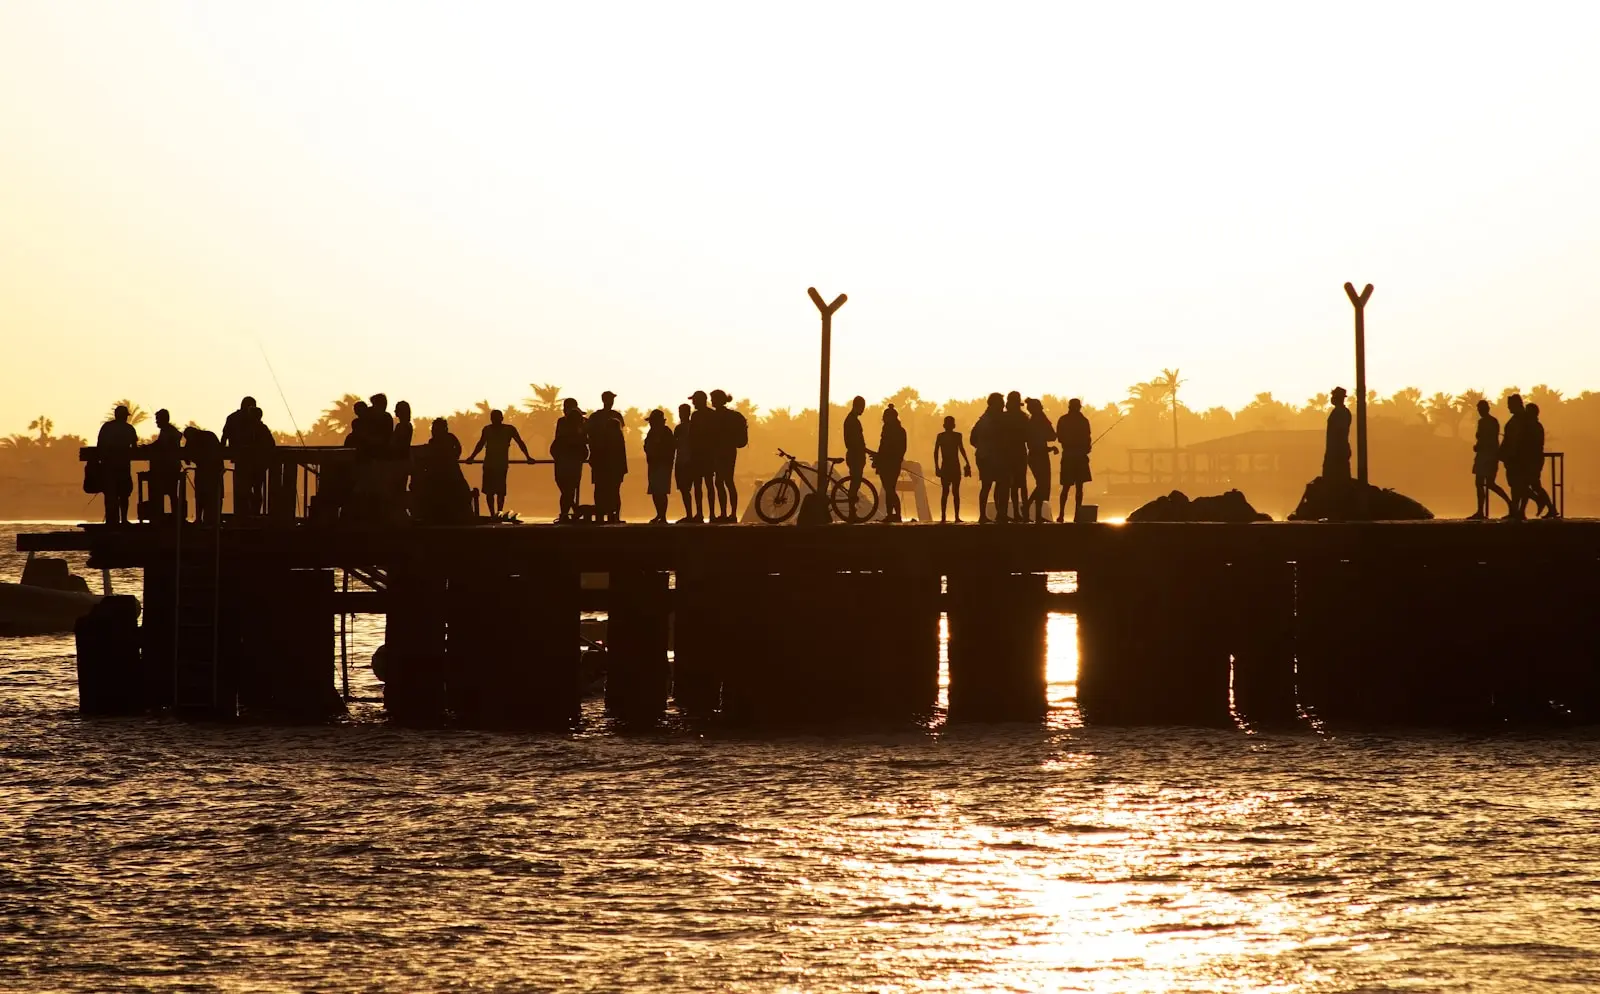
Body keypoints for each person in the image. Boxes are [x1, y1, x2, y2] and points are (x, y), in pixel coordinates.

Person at [466, 409, 533, 518]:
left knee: (500, 491)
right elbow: (481, 444)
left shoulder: (509, 429)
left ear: (502, 418)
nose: (495, 420)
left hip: (500, 465)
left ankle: (499, 513)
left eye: (497, 418)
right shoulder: (487, 430)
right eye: (493, 418)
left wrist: (528, 457)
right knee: (490, 492)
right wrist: (472, 457)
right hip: (489, 464)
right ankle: (493, 514)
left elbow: (520, 443)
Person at [415, 418, 471, 523]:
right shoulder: (438, 440)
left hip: (448, 471)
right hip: (442, 471)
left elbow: (458, 448)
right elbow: (457, 448)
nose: (433, 430)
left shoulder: (448, 438)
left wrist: (454, 457)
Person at [586, 392, 627, 523]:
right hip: (603, 460)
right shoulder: (612, 416)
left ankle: (609, 516)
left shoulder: (598, 417)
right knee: (606, 489)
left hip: (604, 460)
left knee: (607, 489)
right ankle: (609, 516)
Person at [1468, 398, 1512, 520]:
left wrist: (1478, 447)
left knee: (1484, 484)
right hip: (1489, 455)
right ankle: (1483, 510)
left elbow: (1484, 439)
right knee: (1487, 484)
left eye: (1481, 409)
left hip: (1485, 456)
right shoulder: (1493, 421)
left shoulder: (1484, 422)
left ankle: (1483, 511)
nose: (1480, 411)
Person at [95, 405, 139, 525]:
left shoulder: (107, 428)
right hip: (123, 467)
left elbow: (100, 446)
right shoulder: (129, 429)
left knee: (110, 495)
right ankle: (123, 520)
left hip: (108, 467)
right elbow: (134, 448)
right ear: (124, 416)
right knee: (124, 495)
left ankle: (111, 521)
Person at [710, 390, 747, 522]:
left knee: (724, 482)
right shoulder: (730, 415)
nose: (712, 401)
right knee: (725, 482)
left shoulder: (719, 416)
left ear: (719, 400)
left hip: (724, 451)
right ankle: (729, 514)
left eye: (713, 399)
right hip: (727, 451)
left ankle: (728, 514)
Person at [549, 399, 588, 523]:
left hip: (572, 462)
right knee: (567, 489)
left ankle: (566, 513)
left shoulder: (582, 425)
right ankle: (572, 510)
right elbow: (556, 445)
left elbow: (586, 442)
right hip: (564, 461)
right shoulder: (563, 424)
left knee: (569, 489)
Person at [1054, 399, 1093, 522]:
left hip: (1069, 456)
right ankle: (1077, 514)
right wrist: (1085, 448)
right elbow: (1088, 439)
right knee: (1078, 488)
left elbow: (1060, 438)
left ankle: (1061, 514)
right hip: (1079, 456)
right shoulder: (1084, 421)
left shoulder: (1063, 420)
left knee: (1066, 487)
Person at [971, 392, 1007, 523]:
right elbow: (973, 439)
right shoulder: (988, 420)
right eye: (1001, 403)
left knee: (996, 484)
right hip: (987, 457)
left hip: (987, 455)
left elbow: (972, 440)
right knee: (989, 485)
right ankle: (985, 515)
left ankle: (997, 514)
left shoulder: (984, 419)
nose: (1003, 406)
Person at [145, 408, 186, 522]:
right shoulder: (170, 431)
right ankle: (175, 516)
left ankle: (165, 517)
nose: (156, 422)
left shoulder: (167, 431)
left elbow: (160, 445)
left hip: (168, 468)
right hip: (172, 466)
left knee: (166, 492)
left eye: (158, 419)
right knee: (172, 493)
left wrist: (147, 447)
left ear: (163, 419)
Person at [182, 425, 225, 526]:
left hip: (209, 471)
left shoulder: (198, 439)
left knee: (203, 495)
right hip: (214, 470)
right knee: (213, 495)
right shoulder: (209, 436)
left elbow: (187, 457)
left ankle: (203, 519)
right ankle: (214, 519)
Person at [933, 415, 971, 523]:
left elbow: (961, 449)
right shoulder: (942, 436)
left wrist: (967, 462)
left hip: (952, 466)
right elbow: (936, 452)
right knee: (948, 492)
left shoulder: (956, 436)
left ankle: (954, 516)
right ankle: (946, 517)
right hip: (948, 467)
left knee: (953, 492)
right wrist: (936, 467)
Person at [873, 404, 907, 522]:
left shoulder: (889, 430)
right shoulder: (900, 430)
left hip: (888, 463)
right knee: (890, 489)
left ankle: (894, 514)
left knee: (890, 489)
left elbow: (884, 446)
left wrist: (879, 459)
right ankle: (894, 514)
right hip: (892, 463)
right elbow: (902, 449)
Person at [1024, 398, 1056, 523]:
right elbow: (1052, 435)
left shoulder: (1032, 422)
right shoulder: (1039, 421)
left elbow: (1037, 443)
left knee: (1041, 485)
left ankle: (1037, 514)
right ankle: (1028, 505)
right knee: (1042, 485)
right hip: (1039, 456)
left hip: (1036, 455)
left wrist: (1049, 448)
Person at [1522, 402, 1556, 518]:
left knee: (1529, 485)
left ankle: (1543, 504)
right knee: (1534, 485)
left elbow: (1532, 444)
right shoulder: (1535, 425)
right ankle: (1550, 508)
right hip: (1534, 459)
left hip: (1533, 460)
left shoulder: (1534, 426)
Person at [688, 390, 718, 519]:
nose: (693, 402)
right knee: (699, 485)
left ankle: (710, 513)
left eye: (694, 400)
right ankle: (701, 513)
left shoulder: (710, 415)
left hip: (706, 454)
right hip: (699, 454)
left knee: (707, 484)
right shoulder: (696, 415)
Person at [643, 409, 677, 524]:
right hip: (653, 464)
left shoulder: (666, 432)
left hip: (663, 465)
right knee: (655, 491)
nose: (650, 423)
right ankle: (659, 514)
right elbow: (646, 446)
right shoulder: (651, 432)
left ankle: (662, 516)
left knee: (661, 492)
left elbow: (670, 449)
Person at [1003, 391, 1029, 521]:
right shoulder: (1024, 417)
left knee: (1011, 484)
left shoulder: (1004, 418)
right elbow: (1027, 436)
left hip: (1008, 453)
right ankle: (1024, 514)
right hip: (1019, 452)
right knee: (1021, 484)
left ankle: (1014, 513)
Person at [673, 403, 701, 523]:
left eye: (683, 412)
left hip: (692, 461)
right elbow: (674, 445)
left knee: (696, 488)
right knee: (685, 490)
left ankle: (698, 514)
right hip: (681, 461)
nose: (681, 415)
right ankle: (689, 514)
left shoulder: (693, 427)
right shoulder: (678, 428)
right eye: (680, 412)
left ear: (688, 413)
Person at [842, 395, 868, 520]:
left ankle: (852, 511)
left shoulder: (851, 420)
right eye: (862, 407)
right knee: (855, 483)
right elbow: (856, 442)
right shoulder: (852, 421)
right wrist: (866, 451)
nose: (863, 410)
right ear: (857, 406)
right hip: (855, 455)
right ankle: (852, 512)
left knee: (855, 483)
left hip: (856, 454)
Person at [1323, 387, 1352, 481]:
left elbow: (1340, 433)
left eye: (1334, 396)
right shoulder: (1339, 412)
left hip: (1337, 452)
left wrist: (1334, 451)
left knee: (1337, 479)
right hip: (1335, 450)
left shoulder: (1341, 412)